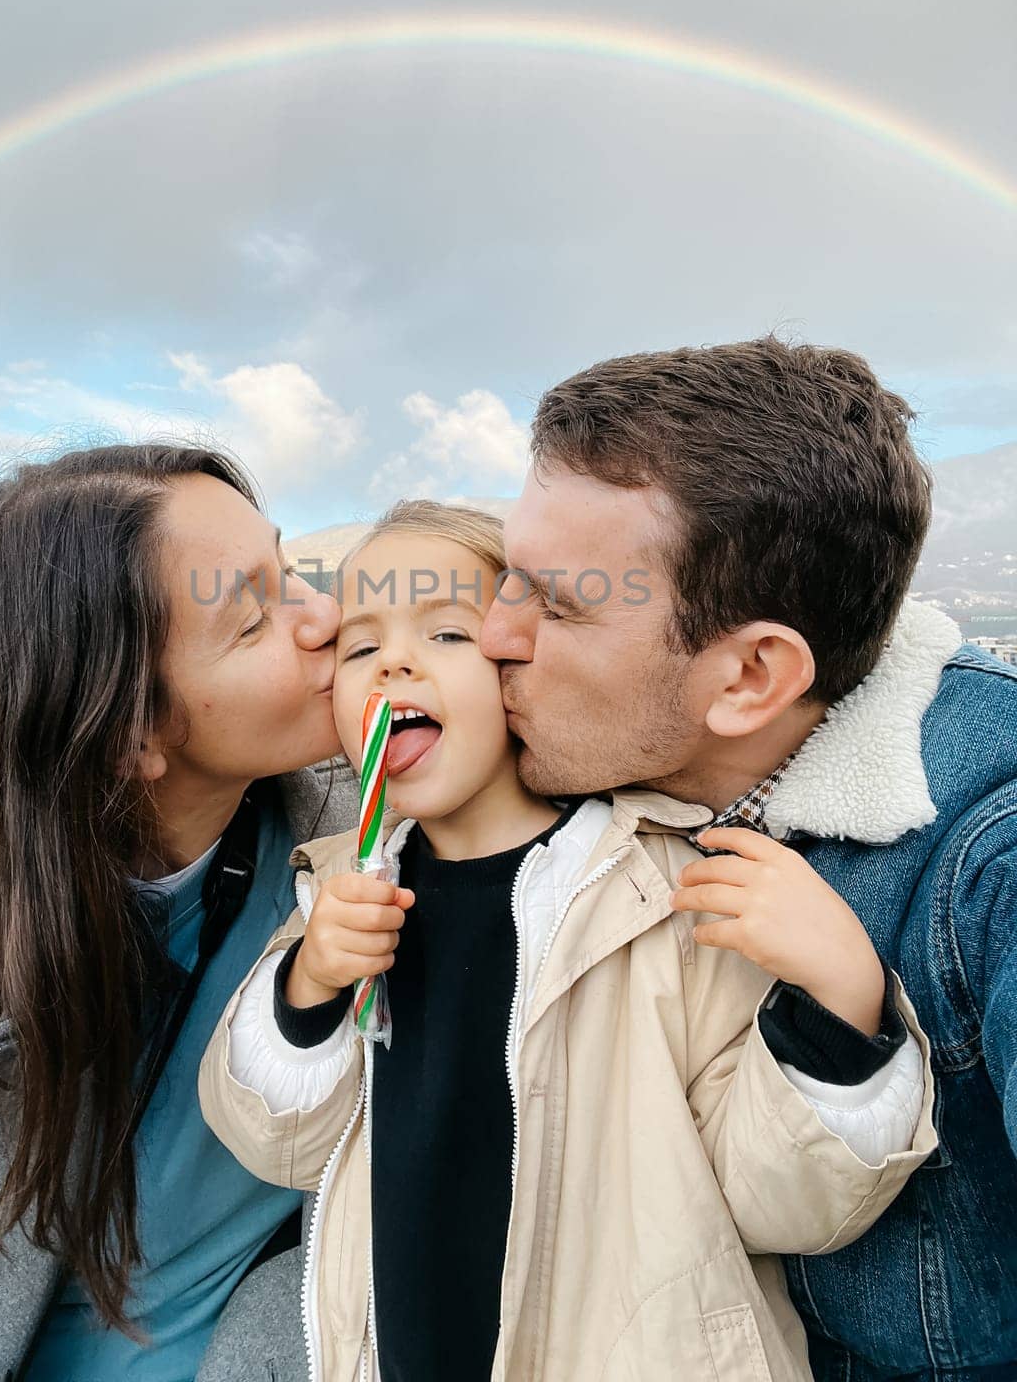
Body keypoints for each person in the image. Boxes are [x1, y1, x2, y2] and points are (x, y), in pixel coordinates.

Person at [200, 498, 936, 1382]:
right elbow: (276, 1141)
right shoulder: (338, 897)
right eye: (361, 647)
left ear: (519, 660)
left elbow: (784, 1201)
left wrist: (842, 1001)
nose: (392, 660)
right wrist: (306, 989)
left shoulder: (663, 893)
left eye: (447, 635)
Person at [478, 336, 1017, 1381]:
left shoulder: (990, 864)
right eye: (508, 575)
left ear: (751, 677)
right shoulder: (593, 791)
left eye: (558, 602)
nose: (493, 633)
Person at [0, 443, 356, 1382]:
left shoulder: (368, 866)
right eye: (256, 615)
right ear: (129, 732)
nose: (332, 620)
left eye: (295, 572)